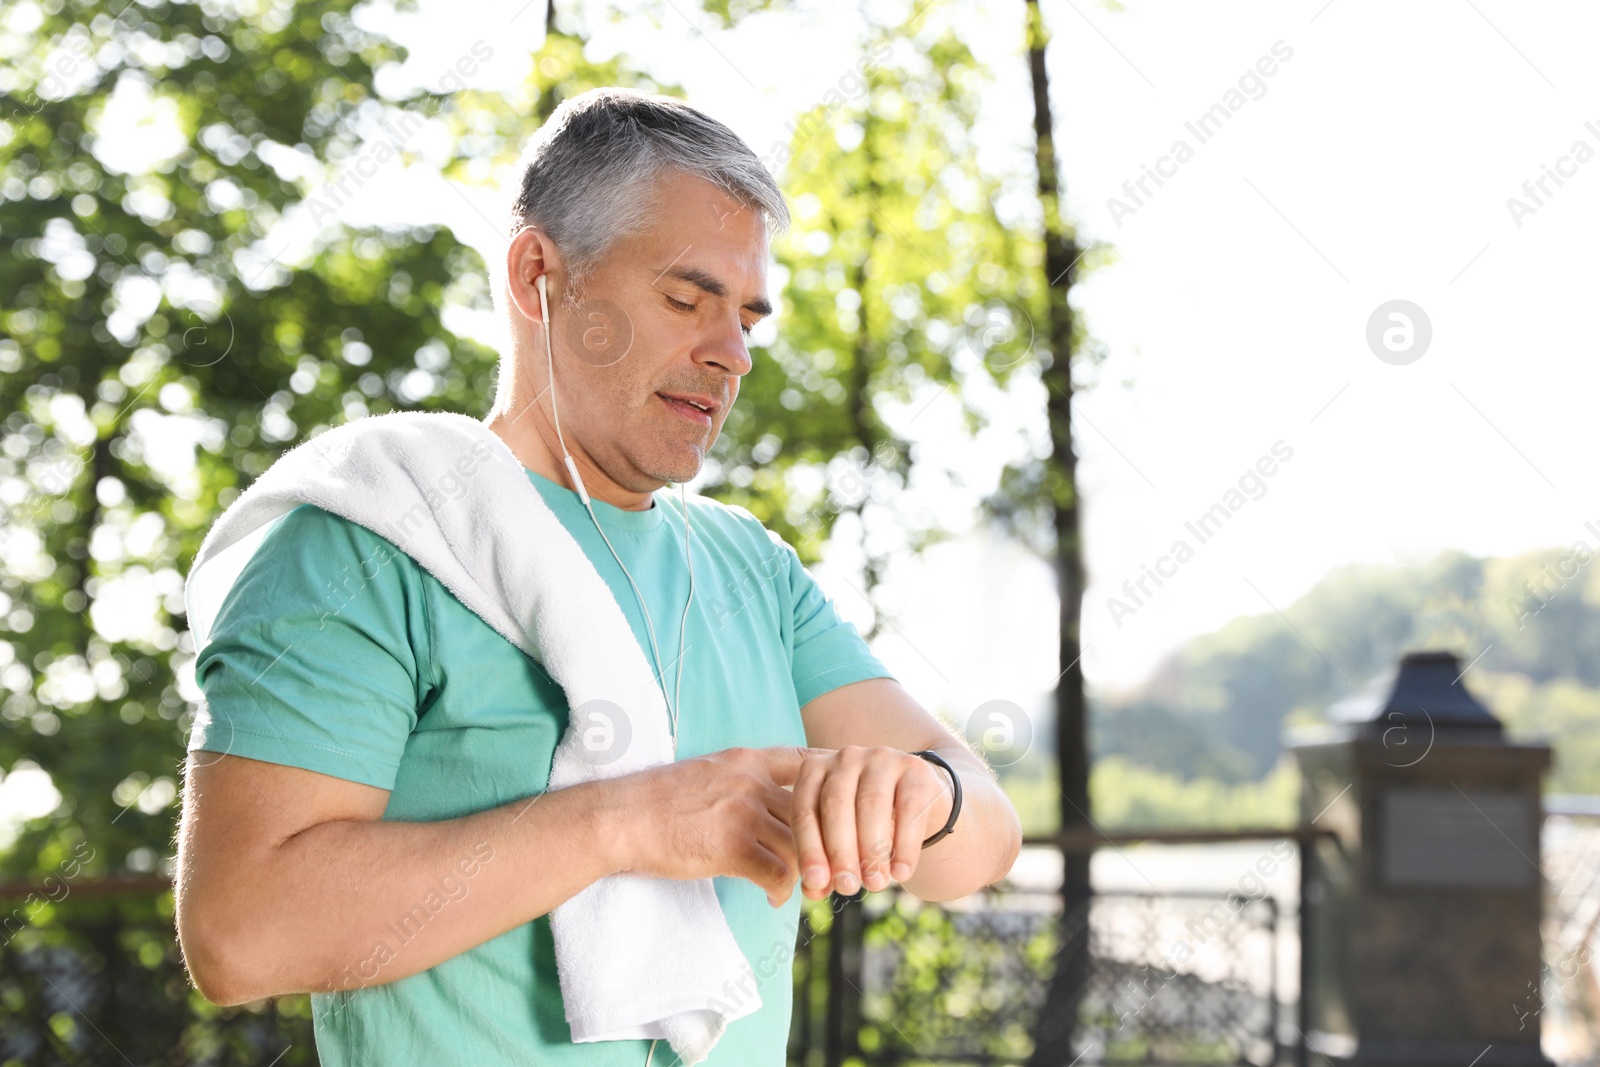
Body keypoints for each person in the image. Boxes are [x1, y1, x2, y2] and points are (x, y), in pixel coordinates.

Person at [174, 86, 1021, 1066]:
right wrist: (627, 820)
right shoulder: (370, 544)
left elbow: (980, 840)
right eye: (684, 298)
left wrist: (921, 796)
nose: (731, 352)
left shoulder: (752, 571)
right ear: (539, 274)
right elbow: (241, 933)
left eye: (747, 315)